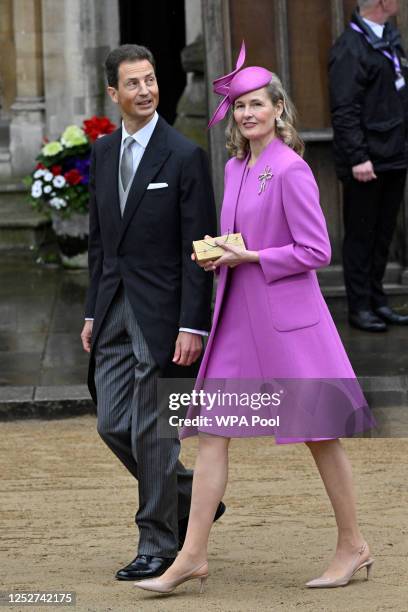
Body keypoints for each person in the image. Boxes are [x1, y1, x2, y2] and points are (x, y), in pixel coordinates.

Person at [134, 42, 375, 595]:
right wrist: (219, 251)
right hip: (237, 321)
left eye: (256, 105)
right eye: (239, 106)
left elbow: (316, 252)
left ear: (278, 109)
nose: (247, 114)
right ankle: (192, 554)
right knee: (212, 431)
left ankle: (353, 544)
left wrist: (253, 257)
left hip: (290, 324)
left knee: (320, 434)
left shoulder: (291, 169)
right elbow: (245, 236)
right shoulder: (238, 166)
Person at [80, 44, 223, 581]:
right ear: (113, 94)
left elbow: (200, 249)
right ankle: (188, 496)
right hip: (113, 308)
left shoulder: (184, 155)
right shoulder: (100, 153)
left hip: (166, 318)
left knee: (155, 432)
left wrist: (194, 324)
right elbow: (100, 242)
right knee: (113, 423)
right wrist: (93, 311)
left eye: (150, 80)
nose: (145, 90)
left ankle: (158, 543)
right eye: (133, 84)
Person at [329, 0, 408, 331]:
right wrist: (359, 157)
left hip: (393, 155)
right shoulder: (350, 47)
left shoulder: (389, 36)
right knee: (361, 236)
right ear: (382, 2)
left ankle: (377, 300)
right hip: (367, 161)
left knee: (382, 235)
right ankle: (359, 307)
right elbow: (344, 110)